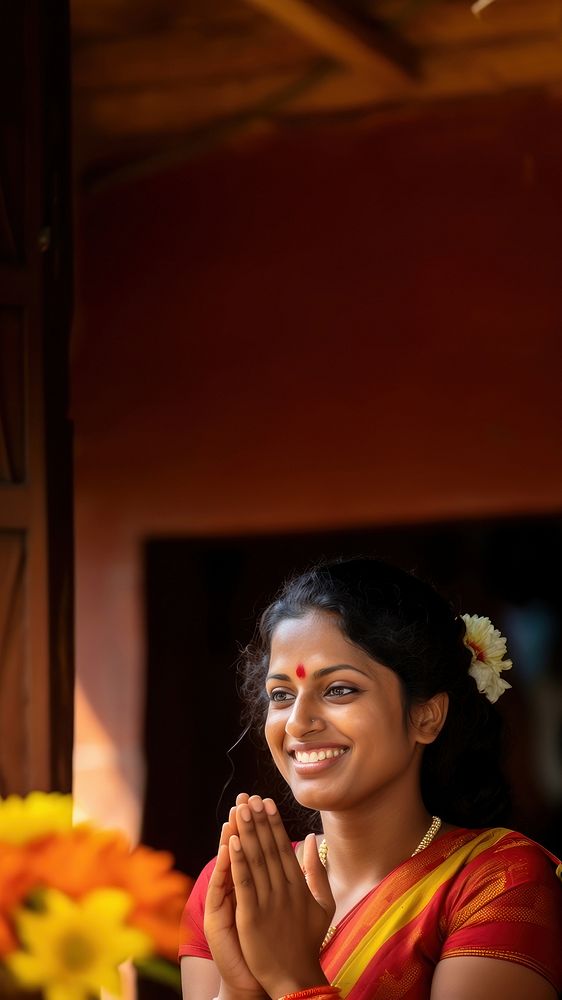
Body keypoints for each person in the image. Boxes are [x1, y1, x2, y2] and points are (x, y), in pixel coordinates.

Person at [179, 557, 562, 1000]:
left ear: (426, 715)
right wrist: (239, 989)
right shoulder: (236, 887)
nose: (298, 723)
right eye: (281, 695)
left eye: (339, 689)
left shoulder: (497, 883)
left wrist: (291, 979)